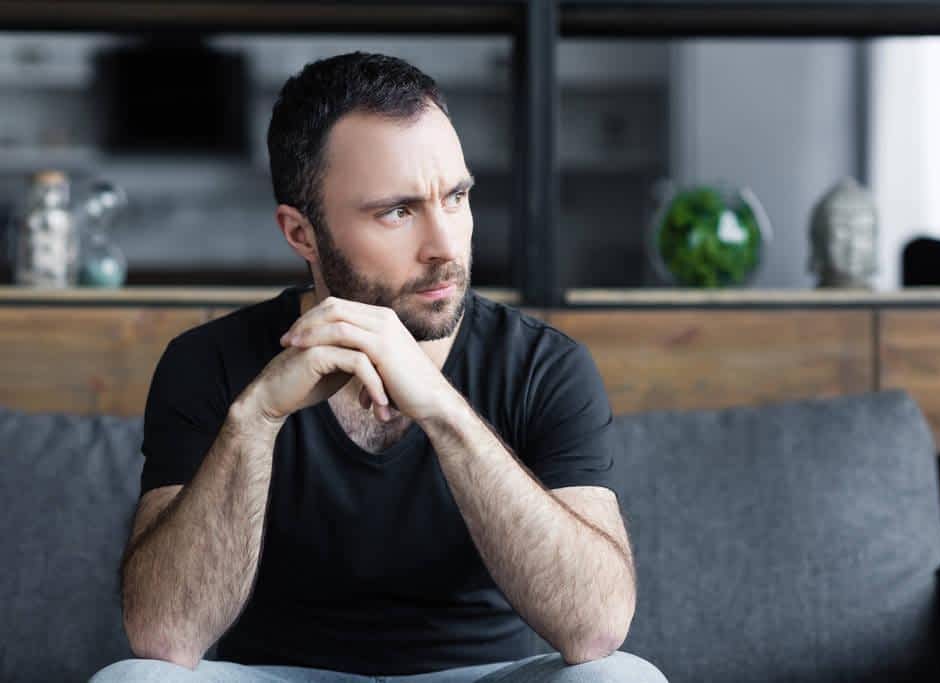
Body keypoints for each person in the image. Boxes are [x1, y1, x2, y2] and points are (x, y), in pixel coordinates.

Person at [91, 52, 667, 683]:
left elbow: (597, 627)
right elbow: (163, 635)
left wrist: (441, 408)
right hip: (278, 675)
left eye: (456, 196)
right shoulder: (209, 364)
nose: (445, 245)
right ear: (301, 234)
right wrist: (255, 420)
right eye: (396, 211)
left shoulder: (542, 365)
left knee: (621, 677)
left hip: (486, 676)